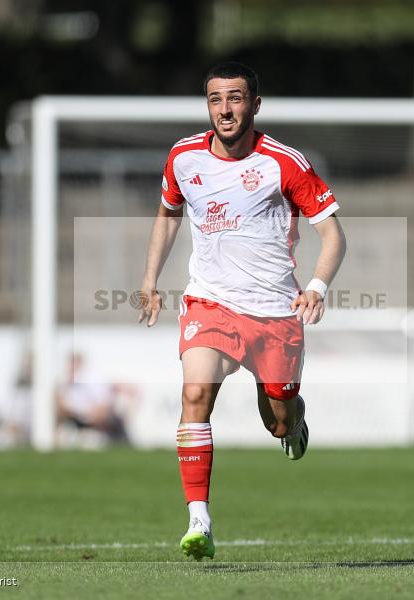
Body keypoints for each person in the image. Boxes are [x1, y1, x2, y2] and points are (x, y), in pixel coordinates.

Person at [137, 62, 346, 560]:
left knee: (276, 418)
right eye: (215, 99)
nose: (225, 109)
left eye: (235, 98)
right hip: (210, 302)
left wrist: (315, 286)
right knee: (195, 394)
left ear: (255, 104)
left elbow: (334, 234)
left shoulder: (284, 163)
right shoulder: (183, 158)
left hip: (275, 312)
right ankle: (199, 521)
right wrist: (149, 280)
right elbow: (167, 216)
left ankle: (293, 422)